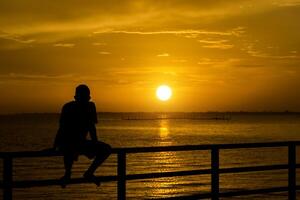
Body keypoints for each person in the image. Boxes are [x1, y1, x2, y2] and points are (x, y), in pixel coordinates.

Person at [53, 84, 111, 186]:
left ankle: (89, 172)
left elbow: (91, 127)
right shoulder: (68, 107)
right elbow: (62, 129)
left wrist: (95, 143)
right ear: (76, 97)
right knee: (69, 145)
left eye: (87, 98)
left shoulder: (90, 106)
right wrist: (54, 146)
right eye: (85, 97)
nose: (86, 100)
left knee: (106, 149)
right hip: (68, 142)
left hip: (80, 142)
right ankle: (68, 173)